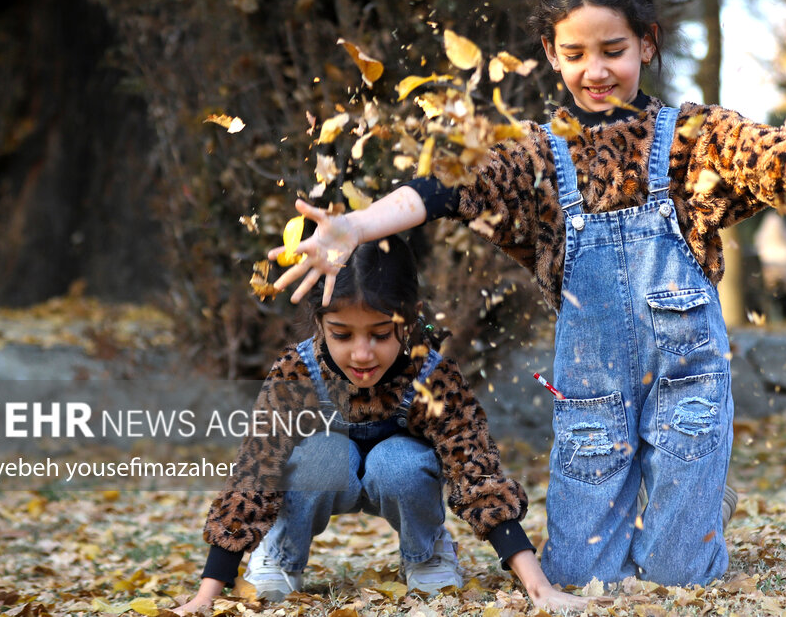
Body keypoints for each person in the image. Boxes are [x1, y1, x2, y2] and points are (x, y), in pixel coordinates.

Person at [268, 0, 786, 588]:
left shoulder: (694, 140)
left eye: (613, 48)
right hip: (592, 397)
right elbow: (444, 191)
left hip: (688, 385)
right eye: (576, 52)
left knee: (679, 572)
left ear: (647, 42)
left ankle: (702, 496)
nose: (596, 70)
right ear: (550, 51)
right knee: (580, 577)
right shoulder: (538, 160)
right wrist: (355, 225)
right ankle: (673, 502)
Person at [173, 238, 587, 614]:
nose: (361, 353)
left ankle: (426, 553)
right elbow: (253, 474)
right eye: (342, 333)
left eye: (380, 333)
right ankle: (281, 554)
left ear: (408, 321)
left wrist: (538, 588)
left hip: (400, 479)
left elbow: (479, 477)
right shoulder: (296, 374)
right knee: (321, 454)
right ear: (320, 324)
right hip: (326, 474)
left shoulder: (432, 379)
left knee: (398, 462)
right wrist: (208, 595)